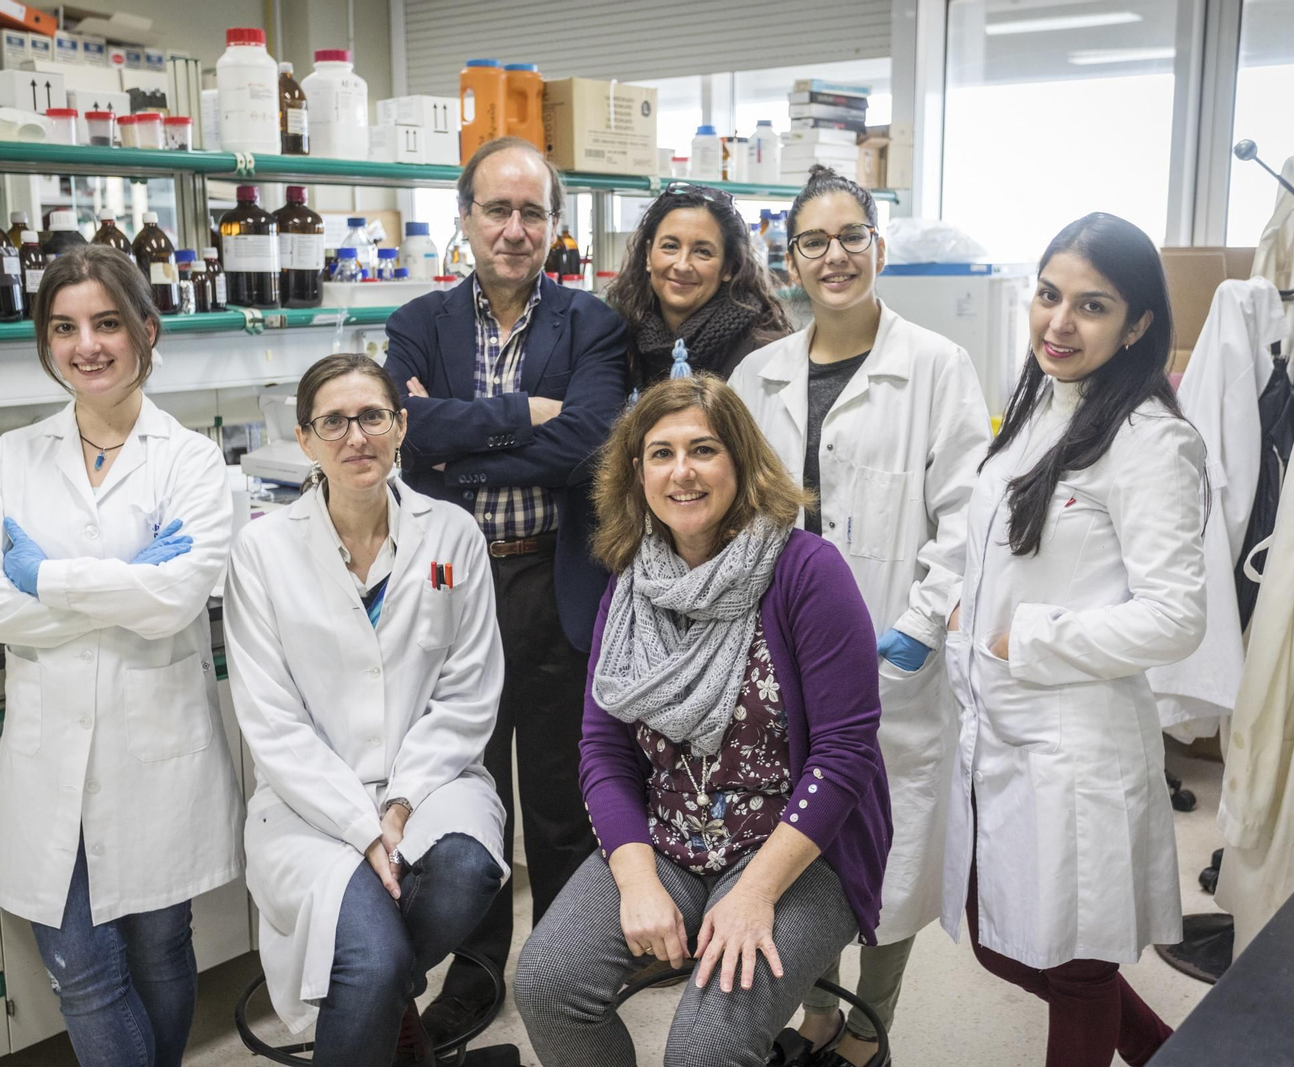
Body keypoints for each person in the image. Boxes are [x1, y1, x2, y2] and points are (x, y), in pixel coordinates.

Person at [514, 375, 894, 1067]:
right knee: (546, 985)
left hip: (797, 848)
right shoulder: (631, 581)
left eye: (703, 449)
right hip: (670, 835)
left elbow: (843, 755)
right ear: (637, 473)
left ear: (741, 462)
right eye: (660, 453)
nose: (681, 471)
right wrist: (635, 880)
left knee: (705, 1047)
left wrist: (755, 892)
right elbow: (602, 747)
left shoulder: (807, 571)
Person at [0, 244, 242, 1067]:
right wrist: (124, 582)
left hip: (156, 749)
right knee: (80, 969)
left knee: (159, 947)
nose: (88, 344)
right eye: (66, 326)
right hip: (50, 760)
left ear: (146, 330)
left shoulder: (188, 459)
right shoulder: (10, 458)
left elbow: (178, 599)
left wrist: (42, 577)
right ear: (47, 342)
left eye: (108, 323)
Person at [729, 164, 992, 1067]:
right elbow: (734, 514)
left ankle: (867, 1031)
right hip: (776, 656)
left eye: (851, 237)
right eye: (814, 241)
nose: (834, 255)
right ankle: (813, 1017)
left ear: (877, 246)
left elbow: (967, 514)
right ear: (789, 260)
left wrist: (921, 623)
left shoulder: (936, 366)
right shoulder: (757, 373)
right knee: (789, 839)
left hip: (891, 653)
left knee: (891, 844)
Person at [940, 213, 1208, 1067]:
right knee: (998, 938)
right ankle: (1169, 1050)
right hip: (1003, 727)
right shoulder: (1036, 408)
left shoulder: (1149, 442)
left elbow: (1176, 615)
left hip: (1075, 745)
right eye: (1049, 295)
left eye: (1091, 306)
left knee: (1077, 965)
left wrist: (1033, 638)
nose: (1059, 322)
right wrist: (964, 612)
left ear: (1136, 326)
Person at [385, 134, 631, 1037]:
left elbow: (596, 445)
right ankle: (480, 971)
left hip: (552, 585)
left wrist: (460, 442)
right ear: (466, 219)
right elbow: (408, 437)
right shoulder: (419, 322)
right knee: (472, 792)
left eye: (533, 211)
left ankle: (567, 970)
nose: (515, 228)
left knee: (564, 801)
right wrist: (520, 418)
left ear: (555, 224)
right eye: (498, 208)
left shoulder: (594, 326)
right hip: (455, 596)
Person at [223, 354, 507, 1065]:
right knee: (374, 965)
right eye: (334, 421)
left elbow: (468, 691)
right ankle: (381, 995)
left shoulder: (452, 535)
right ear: (306, 440)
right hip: (307, 804)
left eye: (373, 416)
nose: (357, 436)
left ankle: (375, 995)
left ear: (401, 426)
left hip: (433, 784)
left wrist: (402, 803)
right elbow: (272, 722)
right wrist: (363, 827)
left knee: (470, 871)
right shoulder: (263, 552)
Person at [604, 181, 792, 388]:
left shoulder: (764, 352)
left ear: (728, 267)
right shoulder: (618, 341)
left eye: (703, 251)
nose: (682, 265)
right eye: (670, 246)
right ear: (648, 255)